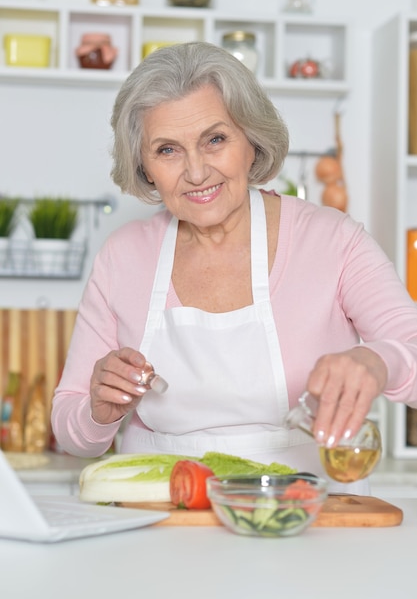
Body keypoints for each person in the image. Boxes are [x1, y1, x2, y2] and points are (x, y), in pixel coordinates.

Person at [52, 41, 417, 493]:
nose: (197, 172)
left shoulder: (332, 240)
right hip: (159, 524)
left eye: (215, 140)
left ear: (251, 142)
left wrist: (377, 360)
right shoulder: (123, 256)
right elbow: (72, 432)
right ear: (145, 167)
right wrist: (95, 410)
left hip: (304, 522)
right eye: (167, 150)